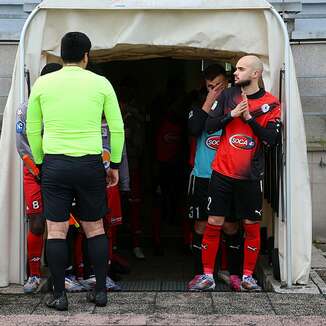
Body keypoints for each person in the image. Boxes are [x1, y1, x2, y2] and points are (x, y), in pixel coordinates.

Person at [26, 32, 124, 310]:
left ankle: (59, 296)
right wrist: (114, 164)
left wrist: (41, 161)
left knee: (55, 230)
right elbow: (116, 128)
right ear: (86, 56)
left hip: (55, 163)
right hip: (89, 163)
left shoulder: (43, 83)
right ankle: (101, 291)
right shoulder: (101, 83)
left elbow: (34, 128)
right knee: (94, 228)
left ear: (61, 55)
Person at [190, 55, 281, 292]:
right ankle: (207, 276)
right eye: (236, 69)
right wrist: (230, 115)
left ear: (256, 74)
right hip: (221, 172)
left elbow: (272, 139)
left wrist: (249, 119)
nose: (235, 73)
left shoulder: (271, 103)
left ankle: (247, 277)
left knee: (250, 224)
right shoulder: (228, 95)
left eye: (241, 69)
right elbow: (207, 127)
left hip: (250, 175)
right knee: (213, 221)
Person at [186, 64, 243, 292]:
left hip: (229, 176)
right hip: (202, 176)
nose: (215, 89)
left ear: (228, 82)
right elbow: (193, 129)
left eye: (219, 85)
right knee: (201, 225)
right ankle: (202, 274)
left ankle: (232, 273)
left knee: (230, 226)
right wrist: (210, 99)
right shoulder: (198, 106)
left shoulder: (237, 105)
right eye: (210, 86)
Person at [16, 63, 62, 293]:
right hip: (34, 172)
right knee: (37, 221)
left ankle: (63, 275)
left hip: (58, 170)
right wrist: (38, 170)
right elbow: (21, 148)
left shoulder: (64, 105)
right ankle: (34, 275)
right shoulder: (26, 107)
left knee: (64, 223)